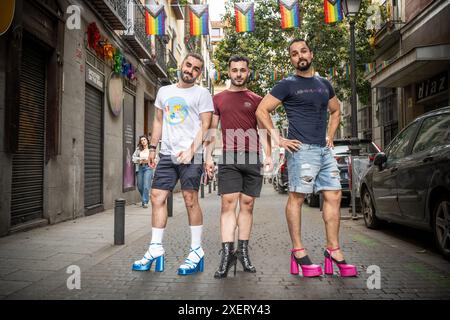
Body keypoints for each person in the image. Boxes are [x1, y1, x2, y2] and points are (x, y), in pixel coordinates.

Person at [256, 38, 358, 277]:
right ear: (291, 59)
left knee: (334, 195)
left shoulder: (325, 84)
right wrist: (278, 138)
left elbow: (336, 110)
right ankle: (298, 251)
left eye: (303, 51)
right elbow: (262, 109)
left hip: (323, 151)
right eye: (294, 53)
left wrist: (330, 137)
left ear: (311, 54)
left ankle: (333, 249)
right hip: (301, 150)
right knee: (297, 197)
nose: (299, 55)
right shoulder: (286, 84)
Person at [131, 53, 214, 275]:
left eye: (196, 68)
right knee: (157, 197)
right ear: (181, 64)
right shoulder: (164, 92)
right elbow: (158, 121)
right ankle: (155, 248)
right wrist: (152, 148)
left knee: (190, 200)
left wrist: (191, 151)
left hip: (191, 155)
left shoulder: (202, 93)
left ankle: (196, 250)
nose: (191, 70)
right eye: (188, 65)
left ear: (199, 73)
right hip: (167, 155)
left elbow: (206, 126)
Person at [206, 55, 273, 279]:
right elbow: (212, 131)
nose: (238, 74)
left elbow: (263, 130)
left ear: (248, 72)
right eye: (234, 70)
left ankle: (242, 253)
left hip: (253, 157)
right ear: (228, 71)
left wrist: (269, 155)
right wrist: (207, 157)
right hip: (229, 158)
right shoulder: (218, 99)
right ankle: (227, 255)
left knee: (248, 205)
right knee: (228, 205)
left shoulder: (257, 99)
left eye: (242, 70)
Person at [132, 135, 154, 208]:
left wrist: (150, 161)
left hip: (148, 168)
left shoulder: (151, 149)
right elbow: (133, 158)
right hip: (140, 167)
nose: (143, 141)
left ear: (147, 140)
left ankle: (145, 201)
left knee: (146, 185)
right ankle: (145, 196)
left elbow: (156, 158)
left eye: (144, 139)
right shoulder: (138, 149)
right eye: (142, 140)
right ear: (140, 142)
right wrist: (140, 159)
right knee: (140, 185)